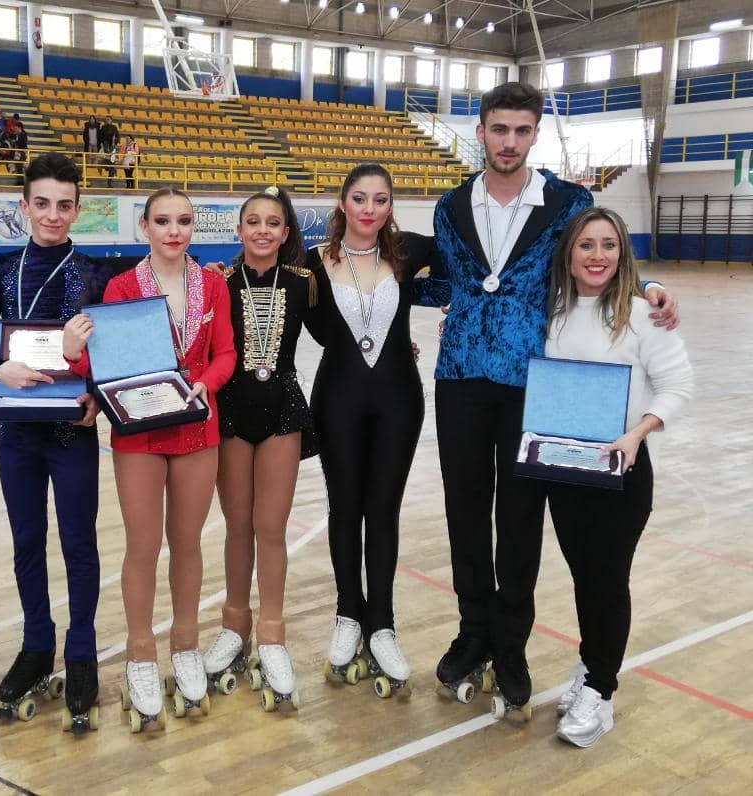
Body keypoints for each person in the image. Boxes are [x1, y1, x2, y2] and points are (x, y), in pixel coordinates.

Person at [429, 82, 678, 716]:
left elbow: (597, 259)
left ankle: (510, 646)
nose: (508, 141)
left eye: (520, 130)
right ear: (480, 131)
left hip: (531, 380)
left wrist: (646, 285)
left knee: (517, 524)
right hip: (459, 374)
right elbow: (447, 282)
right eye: (497, 129)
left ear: (534, 133)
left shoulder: (568, 203)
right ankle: (473, 633)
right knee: (464, 512)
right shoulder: (450, 205)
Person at [63, 188, 236, 730]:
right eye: (162, 221)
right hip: (137, 431)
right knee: (143, 545)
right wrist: (74, 350)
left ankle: (185, 642)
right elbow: (102, 357)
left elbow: (226, 351)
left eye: (184, 221)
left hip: (197, 426)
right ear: (144, 226)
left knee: (187, 543)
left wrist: (207, 383)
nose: (173, 230)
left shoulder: (212, 284)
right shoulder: (119, 287)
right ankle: (141, 651)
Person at [0, 153, 113, 733]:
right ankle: (36, 643)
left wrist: (98, 394)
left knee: (79, 542)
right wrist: (0, 368)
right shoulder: (0, 270)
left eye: (65, 204)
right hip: (18, 434)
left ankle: (81, 650)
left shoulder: (96, 275)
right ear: (24, 206)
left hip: (72, 432)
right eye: (42, 203)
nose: (53, 214)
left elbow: (113, 352)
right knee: (27, 538)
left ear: (79, 209)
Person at [544, 207, 692, 746]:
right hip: (565, 473)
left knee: (607, 580)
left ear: (622, 252)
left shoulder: (640, 314)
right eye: (586, 245)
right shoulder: (552, 309)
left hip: (622, 472)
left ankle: (601, 693)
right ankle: (590, 666)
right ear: (569, 253)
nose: (598, 255)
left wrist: (639, 433)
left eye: (609, 245)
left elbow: (678, 385)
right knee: (586, 578)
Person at [303, 163, 448, 693]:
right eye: (359, 198)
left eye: (380, 199)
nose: (369, 209)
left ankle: (382, 624)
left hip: (398, 400)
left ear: (391, 206)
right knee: (344, 509)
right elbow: (293, 317)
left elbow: (474, 261)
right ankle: (348, 616)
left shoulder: (409, 251)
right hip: (337, 398)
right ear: (341, 203)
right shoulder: (311, 262)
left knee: (382, 511)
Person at [201, 186, 316, 709]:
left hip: (283, 410)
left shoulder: (304, 283)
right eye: (254, 221)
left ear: (286, 232)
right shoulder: (218, 282)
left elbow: (341, 333)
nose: (263, 230)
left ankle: (272, 631)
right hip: (229, 412)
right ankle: (234, 625)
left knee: (271, 527)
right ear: (239, 229)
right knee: (238, 524)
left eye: (274, 222)